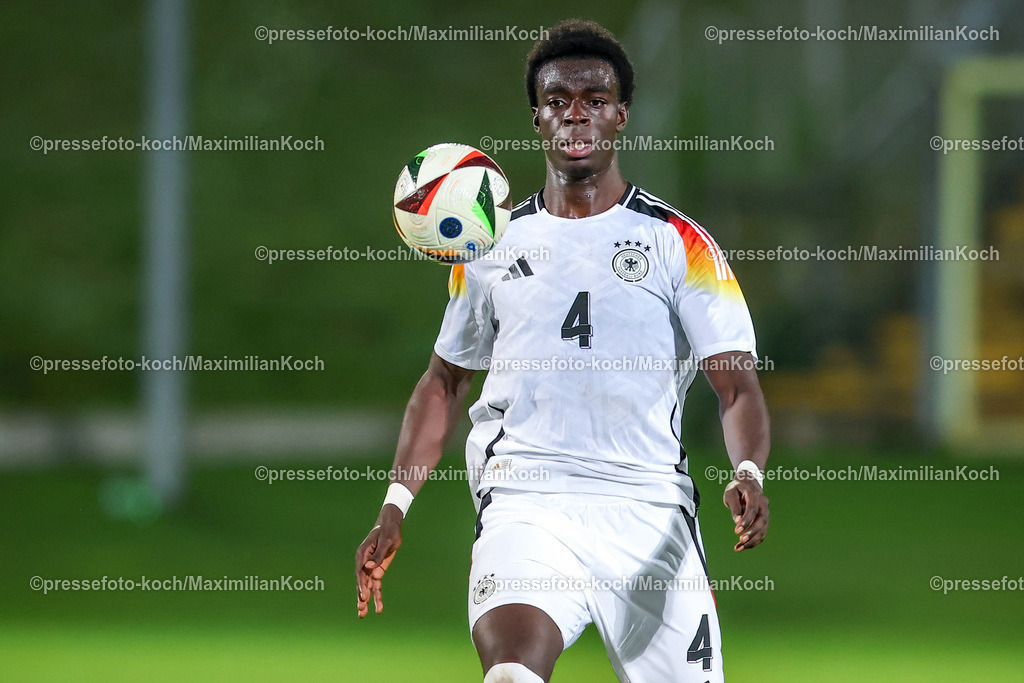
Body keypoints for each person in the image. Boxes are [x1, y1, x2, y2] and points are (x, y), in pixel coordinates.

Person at [357, 19, 770, 683]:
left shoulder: (679, 243)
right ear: (537, 119)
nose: (576, 114)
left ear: (621, 115)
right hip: (527, 499)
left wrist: (747, 468)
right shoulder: (487, 247)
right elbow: (443, 382)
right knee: (511, 674)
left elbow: (737, 386)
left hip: (648, 510)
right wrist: (394, 503)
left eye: (595, 99)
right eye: (557, 101)